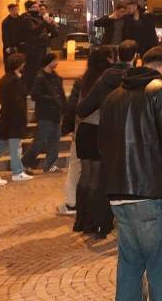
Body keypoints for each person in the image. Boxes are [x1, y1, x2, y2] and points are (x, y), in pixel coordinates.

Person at [98, 46, 162, 301]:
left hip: (119, 195)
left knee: (130, 268)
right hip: (155, 194)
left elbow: (103, 145)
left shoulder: (113, 97)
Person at [67, 47, 114, 238]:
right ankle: (92, 222)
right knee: (96, 177)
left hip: (84, 130)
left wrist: (73, 129)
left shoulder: (83, 79)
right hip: (97, 129)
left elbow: (75, 107)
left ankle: (80, 219)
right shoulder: (105, 80)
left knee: (85, 175)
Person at [22, 53, 65, 173]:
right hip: (45, 114)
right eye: (55, 60)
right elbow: (35, 95)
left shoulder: (55, 76)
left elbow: (61, 94)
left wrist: (63, 107)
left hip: (55, 113)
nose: (57, 62)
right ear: (49, 62)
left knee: (54, 140)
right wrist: (51, 99)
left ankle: (50, 165)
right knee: (40, 141)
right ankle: (26, 164)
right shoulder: (40, 77)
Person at [0, 54, 32, 184]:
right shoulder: (15, 81)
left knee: (0, 147)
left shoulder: (5, 79)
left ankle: (18, 170)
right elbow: (18, 103)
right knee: (15, 148)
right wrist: (23, 118)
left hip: (5, 119)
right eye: (23, 63)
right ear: (18, 64)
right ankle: (17, 172)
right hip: (14, 120)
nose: (24, 65)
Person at [19, 0, 58, 90]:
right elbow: (34, 31)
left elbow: (54, 33)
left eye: (38, 7)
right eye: (35, 7)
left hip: (43, 47)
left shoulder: (39, 18)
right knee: (33, 69)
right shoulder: (27, 19)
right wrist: (44, 22)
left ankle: (38, 87)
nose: (38, 9)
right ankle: (29, 89)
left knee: (41, 68)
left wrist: (51, 24)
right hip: (34, 49)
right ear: (29, 9)